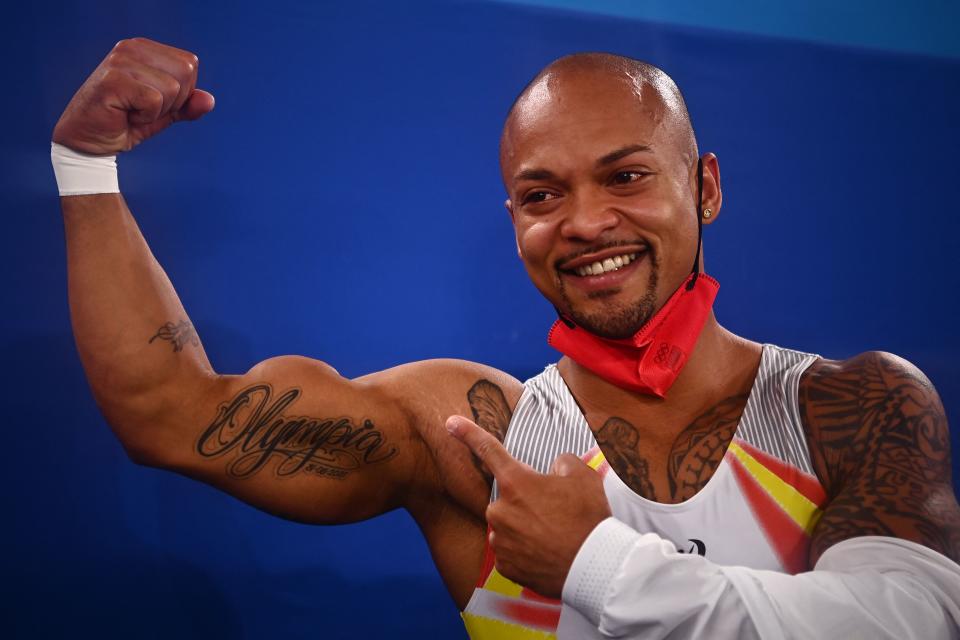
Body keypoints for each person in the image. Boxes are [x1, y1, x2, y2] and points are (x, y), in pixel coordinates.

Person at [52, 37, 960, 639]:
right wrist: (86, 167)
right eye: (542, 195)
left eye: (627, 176)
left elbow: (907, 626)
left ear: (706, 187)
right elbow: (171, 415)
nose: (586, 222)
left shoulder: (857, 405)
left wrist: (599, 564)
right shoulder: (469, 437)